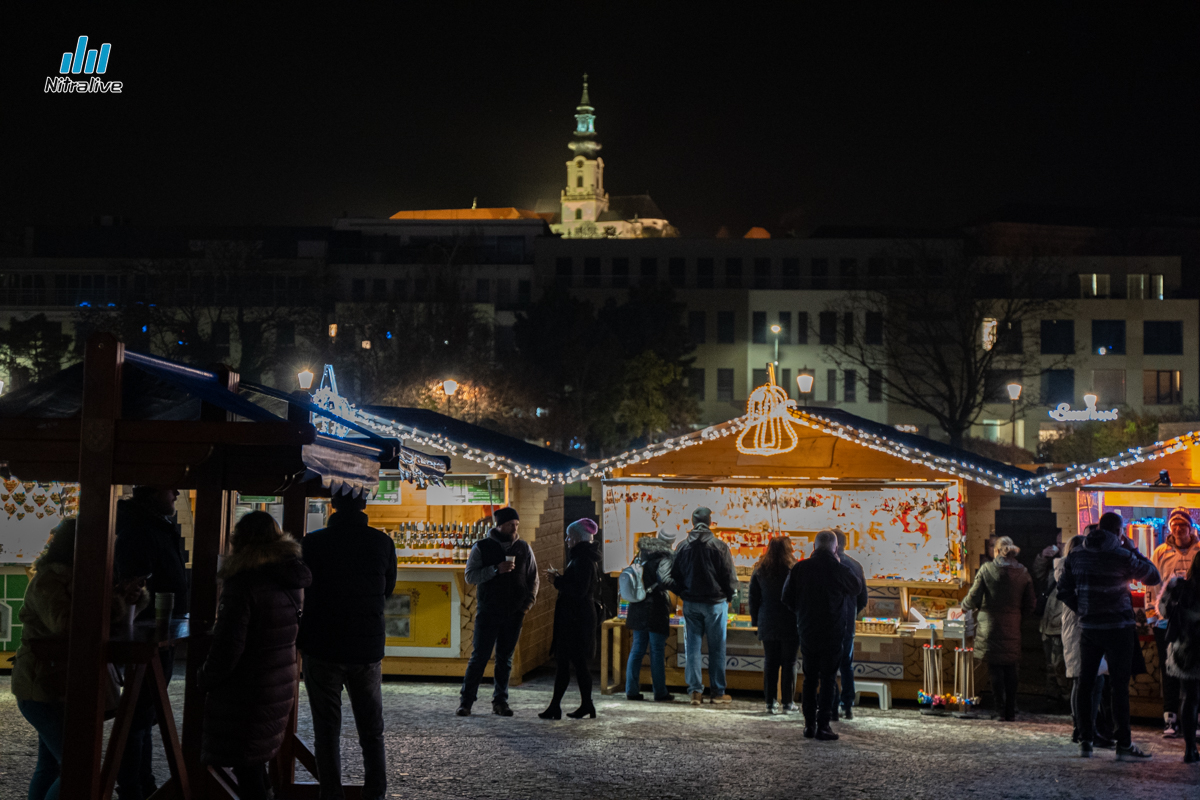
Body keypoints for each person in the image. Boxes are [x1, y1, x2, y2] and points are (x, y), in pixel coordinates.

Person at [12, 517, 147, 800]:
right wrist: (116, 602)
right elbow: (66, 622)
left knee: (50, 766)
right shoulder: (50, 579)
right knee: (76, 766)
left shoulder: (86, 578)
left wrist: (127, 596)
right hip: (43, 687)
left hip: (54, 685)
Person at [200, 512, 312, 800]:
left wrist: (205, 678)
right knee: (255, 761)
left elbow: (229, 647)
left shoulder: (243, 583)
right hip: (279, 682)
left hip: (247, 689)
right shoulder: (291, 578)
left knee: (247, 766)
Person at [298, 491, 395, 800]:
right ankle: (375, 792)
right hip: (366, 647)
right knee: (371, 730)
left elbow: (302, 588)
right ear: (364, 505)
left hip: (322, 644)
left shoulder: (311, 542)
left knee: (326, 730)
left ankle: (331, 794)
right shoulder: (382, 543)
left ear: (333, 505)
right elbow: (388, 588)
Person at [1058, 511, 1161, 759]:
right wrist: (1133, 548)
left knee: (1086, 683)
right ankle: (1123, 744)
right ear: (1118, 532)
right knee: (1119, 687)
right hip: (1118, 627)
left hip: (1090, 628)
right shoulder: (1121, 554)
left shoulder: (1076, 554)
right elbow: (1153, 576)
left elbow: (1063, 589)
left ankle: (1085, 741)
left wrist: (1083, 608)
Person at [114, 485, 186, 800]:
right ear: (154, 491)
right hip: (149, 634)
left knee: (143, 714)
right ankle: (133, 787)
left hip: (159, 632)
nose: (177, 494)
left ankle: (141, 782)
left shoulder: (151, 527)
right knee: (138, 714)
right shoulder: (143, 530)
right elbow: (133, 585)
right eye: (170, 488)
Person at [782, 530, 863, 741]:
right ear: (835, 548)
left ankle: (809, 724)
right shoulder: (838, 568)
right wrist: (838, 563)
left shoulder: (800, 568)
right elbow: (856, 588)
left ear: (814, 547)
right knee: (828, 678)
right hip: (833, 630)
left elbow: (786, 597)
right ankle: (824, 725)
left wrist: (801, 612)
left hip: (807, 629)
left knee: (809, 678)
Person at [459, 506, 539, 716]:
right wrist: (495, 570)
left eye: (517, 524)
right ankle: (466, 701)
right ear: (500, 525)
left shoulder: (523, 548)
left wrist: (526, 605)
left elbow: (533, 578)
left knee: (505, 658)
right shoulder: (482, 547)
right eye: (511, 524)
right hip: (488, 611)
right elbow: (470, 576)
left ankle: (500, 702)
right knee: (480, 657)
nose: (515, 528)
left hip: (514, 612)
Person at [961, 536, 1036, 721]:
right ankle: (1011, 709)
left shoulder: (987, 570)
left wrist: (963, 607)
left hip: (990, 625)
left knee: (995, 669)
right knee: (1011, 668)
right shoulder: (1023, 572)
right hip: (1013, 624)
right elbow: (1031, 603)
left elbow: (973, 596)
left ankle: (1000, 710)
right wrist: (1018, 617)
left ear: (996, 551)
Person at [671, 506, 737, 706]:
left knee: (692, 648)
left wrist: (683, 593)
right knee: (717, 648)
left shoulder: (682, 546)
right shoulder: (720, 546)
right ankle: (717, 693)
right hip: (715, 604)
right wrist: (729, 596)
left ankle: (695, 693)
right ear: (709, 522)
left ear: (692, 522)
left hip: (690, 603)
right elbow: (729, 576)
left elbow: (674, 575)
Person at [540, 519, 602, 719]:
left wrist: (557, 580)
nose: (566, 540)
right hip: (578, 618)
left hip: (575, 620)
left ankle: (560, 706)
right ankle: (580, 705)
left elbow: (578, 590)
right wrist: (560, 578)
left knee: (570, 663)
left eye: (568, 536)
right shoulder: (585, 557)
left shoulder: (581, 559)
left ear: (576, 538)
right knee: (574, 664)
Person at [1057, 532, 1114, 748]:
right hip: (1080, 630)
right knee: (1088, 682)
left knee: (1085, 682)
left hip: (1081, 630)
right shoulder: (1071, 573)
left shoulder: (1069, 572)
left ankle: (1084, 728)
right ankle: (1084, 728)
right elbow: (1075, 599)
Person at [1150, 507, 1200, 738]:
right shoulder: (1160, 552)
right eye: (1175, 525)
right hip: (1168, 624)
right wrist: (1154, 614)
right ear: (1169, 528)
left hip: (1194, 625)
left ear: (1191, 527)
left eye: (1183, 525)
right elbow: (1153, 584)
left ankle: (1196, 721)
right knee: (1169, 670)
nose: (1179, 529)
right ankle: (1170, 718)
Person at [624, 526, 677, 702]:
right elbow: (664, 580)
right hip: (656, 607)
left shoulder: (641, 553)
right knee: (657, 650)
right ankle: (660, 692)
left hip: (638, 605)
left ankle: (631, 690)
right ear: (670, 542)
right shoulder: (665, 557)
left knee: (637, 648)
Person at [750, 536, 799, 714]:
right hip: (790, 621)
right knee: (789, 662)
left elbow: (753, 599)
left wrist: (756, 622)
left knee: (770, 662)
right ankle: (787, 703)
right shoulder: (793, 569)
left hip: (768, 620)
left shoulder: (760, 569)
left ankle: (770, 703)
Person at [1159, 556, 1200, 763]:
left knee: (1189, 698)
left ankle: (1190, 749)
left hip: (1185, 650)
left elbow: (1163, 612)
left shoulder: (1179, 587)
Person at [830, 529, 868, 721]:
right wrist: (852, 612)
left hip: (828, 623)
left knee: (828, 667)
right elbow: (863, 599)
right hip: (847, 623)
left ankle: (832, 704)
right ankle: (848, 705)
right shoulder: (856, 565)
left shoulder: (826, 565)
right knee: (847, 665)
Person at [1033, 539, 1070, 709]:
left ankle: (1065, 697)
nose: (1059, 545)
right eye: (1057, 542)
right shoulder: (1052, 567)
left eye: (1062, 542)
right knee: (1050, 664)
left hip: (1059, 624)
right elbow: (1038, 573)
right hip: (1047, 623)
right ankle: (1052, 697)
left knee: (1059, 665)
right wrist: (1042, 557)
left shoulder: (1069, 567)